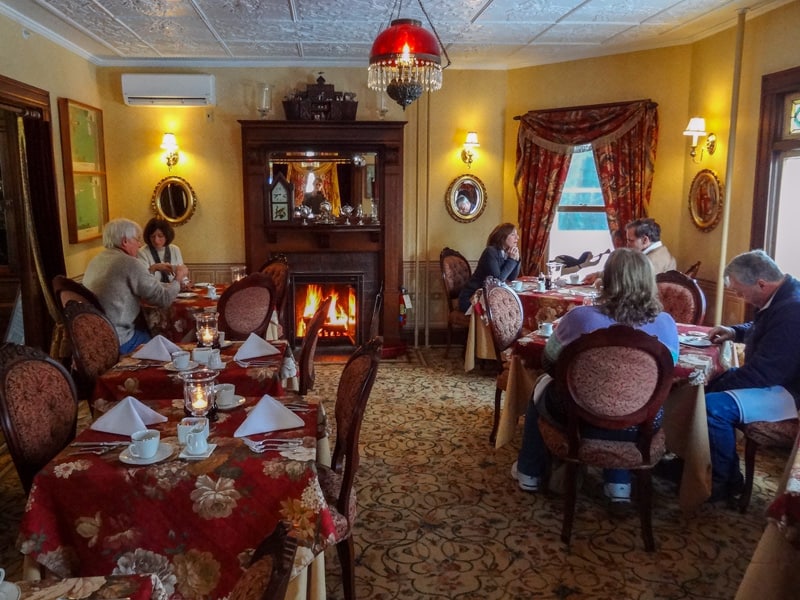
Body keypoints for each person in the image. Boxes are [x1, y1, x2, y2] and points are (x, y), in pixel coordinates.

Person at [511, 248, 679, 504]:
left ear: (606, 280)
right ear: (649, 281)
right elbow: (669, 372)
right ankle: (618, 485)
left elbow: (549, 361)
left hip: (579, 417)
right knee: (627, 402)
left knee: (541, 387)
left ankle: (529, 472)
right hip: (641, 421)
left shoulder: (580, 318)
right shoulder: (666, 323)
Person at [704, 250, 800, 503]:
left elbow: (765, 373)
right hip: (774, 379)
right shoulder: (782, 296)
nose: (739, 296)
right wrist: (734, 331)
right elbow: (763, 329)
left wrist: (725, 383)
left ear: (761, 284)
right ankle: (698, 463)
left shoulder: (793, 309)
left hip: (789, 392)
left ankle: (725, 482)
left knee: (711, 407)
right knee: (708, 384)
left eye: (740, 290)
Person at [84, 218, 189, 354]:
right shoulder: (130, 263)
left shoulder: (96, 260)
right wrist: (178, 278)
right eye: (137, 239)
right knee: (167, 345)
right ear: (125, 242)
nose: (139, 245)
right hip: (119, 338)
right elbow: (163, 299)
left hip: (93, 336)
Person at [584, 218, 676, 284]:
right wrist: (599, 275)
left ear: (645, 240)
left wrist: (601, 281)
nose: (627, 245)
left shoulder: (650, 261)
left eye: (630, 240)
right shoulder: (660, 252)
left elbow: (628, 284)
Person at [457, 223, 521, 312]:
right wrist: (512, 260)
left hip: (488, 298)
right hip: (472, 299)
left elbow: (511, 278)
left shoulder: (504, 253)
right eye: (513, 234)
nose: (517, 237)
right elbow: (497, 282)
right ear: (502, 237)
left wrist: (516, 259)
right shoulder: (490, 252)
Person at [138, 217, 185, 283]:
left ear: (167, 236)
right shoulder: (142, 252)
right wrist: (154, 268)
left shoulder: (175, 249)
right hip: (153, 292)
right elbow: (143, 280)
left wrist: (185, 283)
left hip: (175, 290)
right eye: (152, 236)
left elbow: (182, 274)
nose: (156, 240)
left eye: (160, 236)